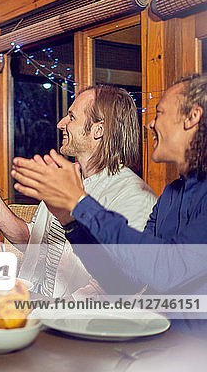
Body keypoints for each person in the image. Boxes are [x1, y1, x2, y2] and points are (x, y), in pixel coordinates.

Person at [11, 75, 207, 322]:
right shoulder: (170, 195)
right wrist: (71, 223)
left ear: (192, 118)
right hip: (157, 340)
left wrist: (80, 203)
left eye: (159, 112)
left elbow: (169, 269)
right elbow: (124, 283)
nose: (150, 124)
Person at [0, 85, 156, 298]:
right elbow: (34, 241)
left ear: (98, 130)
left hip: (74, 321)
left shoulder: (133, 196)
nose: (60, 124)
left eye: (72, 117)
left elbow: (115, 284)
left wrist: (53, 315)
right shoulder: (65, 178)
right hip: (35, 303)